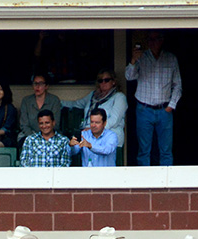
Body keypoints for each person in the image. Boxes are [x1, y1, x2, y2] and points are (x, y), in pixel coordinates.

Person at [126, 30, 182, 166]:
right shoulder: (141, 57)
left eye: (156, 39)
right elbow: (129, 77)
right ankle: (145, 184)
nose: (153, 42)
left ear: (162, 40)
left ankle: (167, 184)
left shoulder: (171, 58)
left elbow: (178, 85)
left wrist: (171, 106)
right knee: (144, 150)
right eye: (150, 39)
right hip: (144, 109)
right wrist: (133, 60)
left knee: (166, 151)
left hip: (164, 109)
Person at [61, 69, 127, 148]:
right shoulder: (93, 95)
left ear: (113, 82)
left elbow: (114, 120)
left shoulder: (119, 97)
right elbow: (76, 104)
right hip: (87, 134)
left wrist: (93, 129)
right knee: (70, 146)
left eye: (107, 80)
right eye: (100, 80)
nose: (103, 83)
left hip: (108, 136)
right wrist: (58, 102)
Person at [18, 74, 62, 146]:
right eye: (35, 83)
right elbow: (24, 125)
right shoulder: (26, 101)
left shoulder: (54, 100)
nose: (37, 86)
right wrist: (36, 138)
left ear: (46, 86)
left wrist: (44, 136)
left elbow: (55, 123)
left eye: (41, 84)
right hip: (29, 135)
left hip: (50, 134)